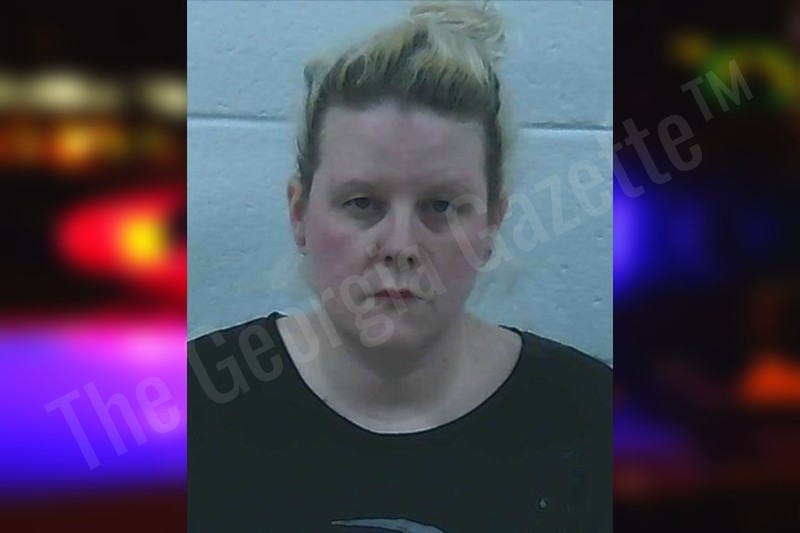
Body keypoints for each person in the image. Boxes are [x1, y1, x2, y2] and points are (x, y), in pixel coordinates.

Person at [188, 2, 611, 531]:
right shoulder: (191, 407)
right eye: (362, 203)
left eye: (441, 206)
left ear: (491, 224)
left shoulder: (596, 421)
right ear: (299, 214)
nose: (400, 245)